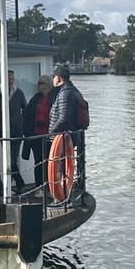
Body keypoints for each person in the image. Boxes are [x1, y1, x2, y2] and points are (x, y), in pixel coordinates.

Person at [0, 70, 27, 194]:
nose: (11, 82)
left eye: (12, 80)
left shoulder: (18, 93)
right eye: (9, 80)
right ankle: (19, 184)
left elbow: (26, 109)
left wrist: (24, 124)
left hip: (17, 131)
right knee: (9, 159)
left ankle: (15, 184)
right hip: (4, 131)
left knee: (11, 159)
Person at [48, 65, 86, 194]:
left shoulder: (65, 93)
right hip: (71, 135)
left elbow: (64, 118)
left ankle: (63, 197)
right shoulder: (73, 90)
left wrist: (51, 132)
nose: (52, 79)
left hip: (64, 138)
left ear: (58, 78)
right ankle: (68, 194)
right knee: (64, 167)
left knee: (61, 169)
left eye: (53, 77)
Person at [22, 78, 52, 185]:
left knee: (50, 162)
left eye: (41, 83)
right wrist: (27, 131)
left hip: (49, 137)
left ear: (48, 85)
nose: (38, 85)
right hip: (36, 136)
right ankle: (39, 186)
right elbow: (27, 114)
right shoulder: (35, 98)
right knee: (38, 162)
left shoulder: (53, 98)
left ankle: (49, 187)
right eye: (38, 83)